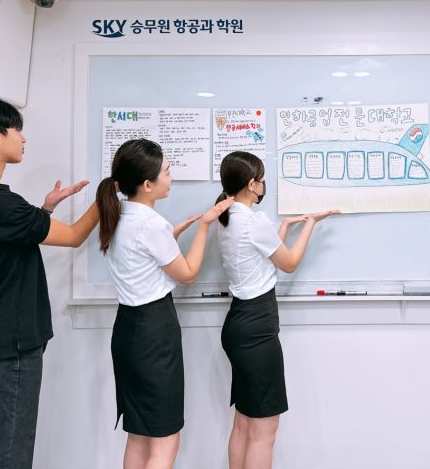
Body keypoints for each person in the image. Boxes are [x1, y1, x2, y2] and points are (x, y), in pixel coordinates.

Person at [0, 96, 99, 469]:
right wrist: (109, 193)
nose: (23, 138)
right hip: (6, 347)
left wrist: (46, 209)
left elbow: (15, 235)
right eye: (16, 129)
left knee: (1, 444)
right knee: (7, 456)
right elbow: (74, 236)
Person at [95, 138, 233, 469]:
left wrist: (172, 236)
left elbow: (140, 260)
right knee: (165, 437)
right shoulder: (151, 224)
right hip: (153, 333)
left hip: (127, 330)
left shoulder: (120, 215)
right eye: (167, 172)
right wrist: (204, 227)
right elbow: (187, 273)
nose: (171, 177)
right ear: (147, 184)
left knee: (139, 434)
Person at [215, 151, 338, 469]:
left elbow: (262, 256)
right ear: (251, 184)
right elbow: (289, 263)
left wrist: (283, 227)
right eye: (261, 180)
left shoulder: (227, 219)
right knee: (263, 431)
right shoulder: (253, 222)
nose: (263, 185)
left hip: (239, 324)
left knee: (243, 422)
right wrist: (311, 224)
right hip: (257, 329)